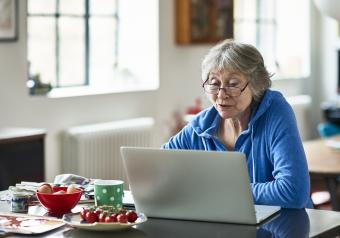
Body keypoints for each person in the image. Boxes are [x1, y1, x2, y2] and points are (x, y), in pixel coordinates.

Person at [162, 39, 312, 208]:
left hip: (286, 227)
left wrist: (219, 191)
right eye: (214, 83)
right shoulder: (201, 126)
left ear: (256, 85)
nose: (221, 94)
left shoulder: (275, 112)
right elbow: (159, 169)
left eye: (233, 84)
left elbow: (293, 191)